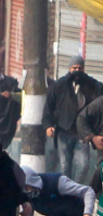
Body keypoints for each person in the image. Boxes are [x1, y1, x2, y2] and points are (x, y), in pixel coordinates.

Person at [43, 56, 102, 184]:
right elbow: (48, 106)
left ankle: (77, 189)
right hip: (64, 131)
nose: (77, 71)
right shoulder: (60, 85)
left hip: (83, 133)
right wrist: (48, 126)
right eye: (74, 68)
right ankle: (67, 191)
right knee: (65, 166)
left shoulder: (92, 85)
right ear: (69, 69)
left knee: (83, 165)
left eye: (80, 68)